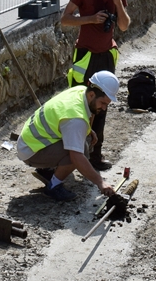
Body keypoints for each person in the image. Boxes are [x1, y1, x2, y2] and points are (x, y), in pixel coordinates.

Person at [59, 0, 131, 171]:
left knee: (102, 106)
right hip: (85, 56)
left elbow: (124, 25)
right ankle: (72, 155)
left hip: (106, 56)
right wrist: (90, 19)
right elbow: (65, 20)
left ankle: (95, 157)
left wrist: (118, 4)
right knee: (80, 104)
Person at [16, 71, 119, 202]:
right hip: (31, 150)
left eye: (107, 104)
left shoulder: (81, 91)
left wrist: (88, 130)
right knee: (81, 149)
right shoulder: (76, 118)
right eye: (103, 103)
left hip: (31, 140)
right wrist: (100, 182)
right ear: (92, 94)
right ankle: (53, 187)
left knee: (84, 139)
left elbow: (85, 116)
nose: (104, 108)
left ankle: (48, 170)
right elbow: (76, 157)